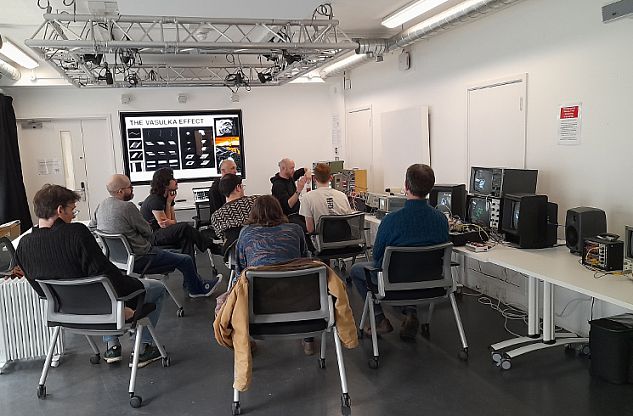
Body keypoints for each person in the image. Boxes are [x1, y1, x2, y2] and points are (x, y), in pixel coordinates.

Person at [16, 184, 167, 367]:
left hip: (64, 315)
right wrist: (127, 300)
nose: (73, 215)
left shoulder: (24, 245)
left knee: (105, 290)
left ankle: (112, 347)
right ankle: (144, 349)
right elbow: (105, 273)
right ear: (59, 210)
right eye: (72, 209)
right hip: (104, 313)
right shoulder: (76, 233)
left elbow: (40, 289)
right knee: (156, 287)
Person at [350, 164, 449, 341]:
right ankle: (410, 312)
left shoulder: (390, 220)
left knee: (357, 270)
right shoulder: (441, 220)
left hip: (393, 285)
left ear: (406, 186)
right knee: (414, 267)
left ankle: (380, 320)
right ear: (430, 188)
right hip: (431, 284)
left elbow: (378, 256)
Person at [91, 174, 222, 298]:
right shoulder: (127, 207)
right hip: (143, 257)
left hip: (119, 261)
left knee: (185, 239)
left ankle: (193, 283)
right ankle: (196, 289)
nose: (132, 190)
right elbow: (148, 231)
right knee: (186, 259)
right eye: (130, 187)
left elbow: (92, 227)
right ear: (120, 191)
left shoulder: (101, 206)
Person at [234, 195, 315, 355]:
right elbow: (305, 261)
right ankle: (308, 340)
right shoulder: (295, 230)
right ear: (279, 210)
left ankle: (247, 342)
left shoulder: (245, 234)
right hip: (297, 299)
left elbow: (240, 270)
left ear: (254, 213)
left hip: (259, 303)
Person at [140, 168, 213, 264]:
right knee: (185, 226)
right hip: (153, 237)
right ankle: (211, 246)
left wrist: (169, 203)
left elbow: (171, 222)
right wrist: (172, 222)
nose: (176, 181)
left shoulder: (166, 199)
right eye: (173, 178)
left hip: (162, 233)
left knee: (187, 238)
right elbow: (165, 225)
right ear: (165, 183)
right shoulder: (155, 200)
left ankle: (192, 278)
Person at [299, 162, 353, 241]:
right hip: (345, 242)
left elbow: (310, 229)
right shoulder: (342, 196)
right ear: (331, 178)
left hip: (322, 245)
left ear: (314, 179)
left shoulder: (307, 198)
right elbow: (349, 218)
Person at [210, 173, 257, 240]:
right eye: (242, 186)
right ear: (238, 187)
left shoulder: (216, 216)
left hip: (234, 249)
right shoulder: (256, 201)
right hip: (260, 244)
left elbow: (221, 237)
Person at [270, 158, 311, 227]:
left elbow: (304, 169)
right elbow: (289, 205)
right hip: (288, 218)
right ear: (283, 168)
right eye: (291, 168)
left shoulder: (289, 177)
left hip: (297, 213)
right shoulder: (278, 185)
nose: (293, 170)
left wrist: (308, 172)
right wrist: (298, 190)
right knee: (306, 227)